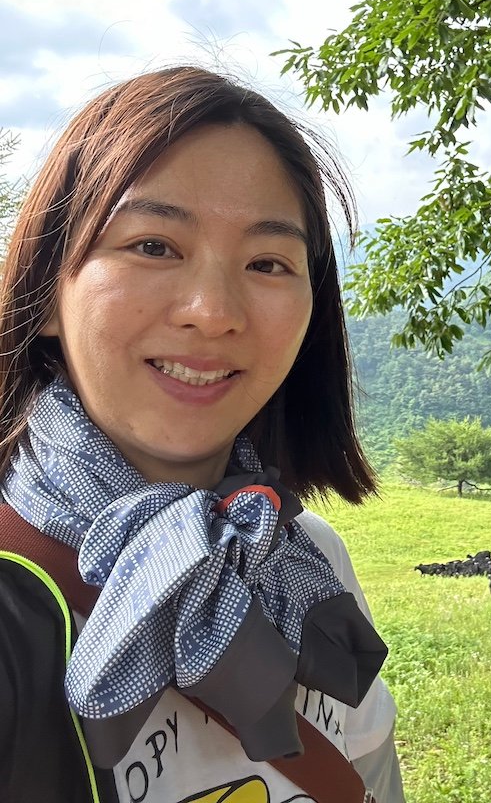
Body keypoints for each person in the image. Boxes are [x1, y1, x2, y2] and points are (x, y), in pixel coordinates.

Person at [0, 66, 405, 803]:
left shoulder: (305, 561)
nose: (212, 310)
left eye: (267, 262)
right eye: (153, 246)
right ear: (47, 292)